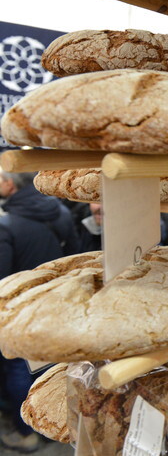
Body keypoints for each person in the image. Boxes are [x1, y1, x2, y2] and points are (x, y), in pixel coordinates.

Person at [0, 171, 79, 452]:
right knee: (55, 367)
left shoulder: (7, 225)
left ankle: (28, 431)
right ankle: (55, 422)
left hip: (23, 315)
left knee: (18, 368)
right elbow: (75, 257)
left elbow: (3, 279)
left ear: (10, 184)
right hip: (60, 307)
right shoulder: (61, 212)